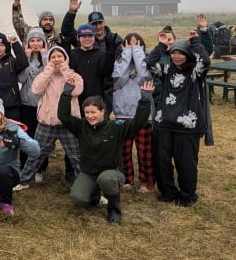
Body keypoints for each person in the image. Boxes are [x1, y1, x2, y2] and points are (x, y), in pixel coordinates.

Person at [58, 77, 154, 223]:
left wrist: (145, 101)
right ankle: (94, 194)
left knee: (106, 179)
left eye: (93, 112)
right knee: (79, 199)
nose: (90, 116)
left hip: (112, 171)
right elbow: (63, 116)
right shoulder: (81, 127)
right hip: (89, 173)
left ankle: (114, 209)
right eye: (87, 113)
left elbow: (138, 123)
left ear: (103, 112)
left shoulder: (116, 128)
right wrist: (66, 95)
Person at [146, 32, 211, 207]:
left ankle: (187, 195)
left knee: (186, 163)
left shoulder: (195, 73)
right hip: (164, 122)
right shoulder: (166, 70)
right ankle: (168, 192)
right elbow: (150, 63)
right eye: (174, 52)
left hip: (187, 125)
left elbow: (205, 61)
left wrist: (196, 42)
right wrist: (161, 46)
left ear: (188, 54)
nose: (176, 56)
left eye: (181, 52)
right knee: (162, 160)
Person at [17, 46, 84, 189]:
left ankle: (85, 183)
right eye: (53, 57)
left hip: (69, 123)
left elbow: (77, 90)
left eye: (60, 56)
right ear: (48, 60)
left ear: (66, 59)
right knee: (36, 154)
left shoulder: (74, 75)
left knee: (76, 155)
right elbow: (36, 90)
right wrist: (48, 71)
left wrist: (66, 70)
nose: (57, 60)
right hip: (47, 122)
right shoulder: (44, 75)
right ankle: (24, 181)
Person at [112, 33, 154, 193]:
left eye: (136, 45)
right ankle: (126, 178)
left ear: (142, 48)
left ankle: (146, 181)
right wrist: (127, 55)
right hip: (122, 114)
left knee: (145, 151)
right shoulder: (118, 63)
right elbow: (119, 79)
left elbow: (144, 78)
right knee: (123, 150)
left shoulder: (146, 64)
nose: (132, 48)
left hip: (142, 115)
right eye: (129, 45)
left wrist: (137, 54)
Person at [17, 28, 48, 174]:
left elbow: (50, 76)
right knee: (26, 135)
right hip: (27, 103)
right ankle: (24, 164)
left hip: (43, 103)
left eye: (38, 40)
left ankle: (40, 167)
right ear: (28, 43)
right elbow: (21, 79)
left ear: (43, 42)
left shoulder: (48, 58)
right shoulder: (25, 58)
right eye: (32, 41)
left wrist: (45, 55)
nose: (35, 44)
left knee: (42, 137)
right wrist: (26, 60)